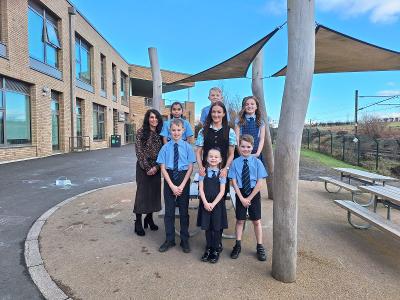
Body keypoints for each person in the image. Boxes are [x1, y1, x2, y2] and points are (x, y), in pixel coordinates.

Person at [196, 101, 236, 253]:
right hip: (206, 173)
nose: (216, 115)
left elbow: (231, 153)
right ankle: (208, 244)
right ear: (210, 113)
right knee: (206, 206)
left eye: (219, 112)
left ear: (224, 114)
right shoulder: (203, 131)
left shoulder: (229, 131)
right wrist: (200, 167)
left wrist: (225, 168)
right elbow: (198, 152)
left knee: (218, 209)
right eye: (214, 112)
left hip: (221, 173)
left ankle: (217, 244)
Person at [157, 118, 196, 253]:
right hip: (169, 179)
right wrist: (172, 186)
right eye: (173, 130)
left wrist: (182, 185)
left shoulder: (188, 147)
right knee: (169, 212)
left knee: (184, 212)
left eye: (179, 130)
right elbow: (162, 168)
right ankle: (170, 239)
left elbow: (190, 168)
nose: (176, 132)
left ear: (183, 131)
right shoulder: (165, 148)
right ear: (169, 131)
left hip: (183, 178)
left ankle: (184, 240)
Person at [228, 134, 268, 261]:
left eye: (248, 147)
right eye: (243, 146)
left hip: (253, 193)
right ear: (239, 147)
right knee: (240, 220)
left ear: (252, 147)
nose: (245, 149)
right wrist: (241, 198)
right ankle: (238, 245)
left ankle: (260, 246)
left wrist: (249, 198)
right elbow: (233, 182)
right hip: (240, 193)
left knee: (256, 221)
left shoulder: (257, 162)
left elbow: (260, 183)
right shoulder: (235, 162)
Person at [133, 109, 164, 236]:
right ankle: (138, 221)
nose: (154, 120)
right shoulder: (141, 132)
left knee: (153, 194)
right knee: (142, 194)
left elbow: (163, 153)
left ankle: (149, 218)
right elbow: (139, 152)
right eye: (151, 117)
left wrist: (156, 167)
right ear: (148, 119)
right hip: (143, 168)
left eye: (156, 117)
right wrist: (147, 168)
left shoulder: (161, 134)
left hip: (156, 168)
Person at [197, 148, 228, 263]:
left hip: (217, 205)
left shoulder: (222, 173)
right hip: (205, 203)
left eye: (216, 157)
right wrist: (205, 203)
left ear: (220, 159)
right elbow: (201, 188)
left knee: (217, 227)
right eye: (211, 156)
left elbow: (222, 191)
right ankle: (208, 248)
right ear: (207, 158)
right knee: (208, 227)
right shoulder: (202, 172)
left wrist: (213, 204)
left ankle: (215, 249)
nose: (213, 158)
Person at [234, 96, 266, 164]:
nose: (249, 106)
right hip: (241, 153)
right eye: (247, 104)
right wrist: (240, 153)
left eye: (252, 104)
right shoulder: (239, 121)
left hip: (255, 153)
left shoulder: (260, 121)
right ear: (243, 107)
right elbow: (236, 137)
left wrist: (258, 153)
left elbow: (262, 139)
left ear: (256, 106)